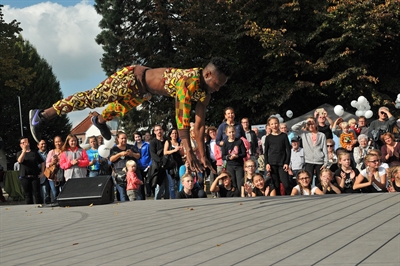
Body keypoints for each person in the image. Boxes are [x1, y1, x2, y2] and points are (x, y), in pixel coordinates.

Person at [29, 58, 231, 174]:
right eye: (218, 84)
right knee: (94, 98)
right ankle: (43, 115)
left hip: (142, 92)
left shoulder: (205, 95)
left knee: (117, 109)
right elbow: (182, 120)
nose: (219, 89)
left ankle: (98, 121)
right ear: (207, 75)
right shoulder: (190, 81)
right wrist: (189, 151)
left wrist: (203, 157)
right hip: (131, 78)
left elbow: (200, 127)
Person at [291, 117, 328, 187]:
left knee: (320, 180)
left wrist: (326, 162)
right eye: (309, 124)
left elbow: (324, 149)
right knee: (308, 179)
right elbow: (293, 128)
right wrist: (305, 121)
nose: (311, 126)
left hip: (319, 161)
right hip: (308, 161)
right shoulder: (304, 134)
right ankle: (309, 193)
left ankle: (319, 194)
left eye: (312, 124)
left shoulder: (322, 135)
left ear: (316, 124)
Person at [264, 116, 291, 195]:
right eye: (272, 124)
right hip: (272, 163)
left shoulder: (284, 136)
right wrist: (267, 163)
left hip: (282, 163)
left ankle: (291, 197)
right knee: (276, 185)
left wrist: (287, 162)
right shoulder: (268, 138)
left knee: (286, 184)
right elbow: (265, 152)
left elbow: (288, 150)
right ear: (269, 125)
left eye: (276, 123)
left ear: (278, 124)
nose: (274, 125)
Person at [110, 131, 140, 201]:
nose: (124, 140)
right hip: (120, 174)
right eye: (122, 138)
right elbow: (111, 159)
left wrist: (132, 154)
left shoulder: (131, 147)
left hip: (131, 174)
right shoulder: (114, 149)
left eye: (125, 138)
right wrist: (120, 154)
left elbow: (138, 156)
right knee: (122, 194)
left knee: (133, 193)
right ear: (118, 139)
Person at [17, 137, 45, 204]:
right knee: (28, 195)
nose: (25, 144)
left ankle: (40, 207)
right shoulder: (19, 153)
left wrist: (42, 172)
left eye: (26, 142)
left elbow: (42, 162)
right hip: (24, 177)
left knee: (37, 194)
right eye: (23, 143)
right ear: (20, 145)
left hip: (34, 176)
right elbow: (20, 161)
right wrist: (24, 151)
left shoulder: (34, 152)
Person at [221, 125, 246, 190]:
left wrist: (237, 156)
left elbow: (244, 154)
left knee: (240, 182)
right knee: (232, 182)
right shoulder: (225, 143)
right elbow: (223, 156)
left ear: (235, 132)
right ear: (226, 133)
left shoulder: (239, 141)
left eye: (233, 132)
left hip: (239, 165)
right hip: (230, 165)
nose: (231, 134)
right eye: (229, 132)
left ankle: (241, 195)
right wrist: (229, 157)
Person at [163, 128, 184, 199]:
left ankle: (179, 196)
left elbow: (182, 154)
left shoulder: (179, 143)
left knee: (179, 182)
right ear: (170, 135)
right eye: (173, 133)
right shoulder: (168, 142)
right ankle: (173, 198)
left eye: (176, 133)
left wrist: (181, 150)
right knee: (172, 184)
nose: (174, 135)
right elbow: (165, 152)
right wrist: (174, 150)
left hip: (178, 164)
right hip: (170, 165)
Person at [45, 136, 65, 200]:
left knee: (63, 192)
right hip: (53, 176)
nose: (58, 143)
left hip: (62, 174)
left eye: (59, 141)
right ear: (54, 143)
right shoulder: (51, 152)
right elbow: (47, 164)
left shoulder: (65, 152)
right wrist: (52, 163)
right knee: (55, 193)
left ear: (62, 142)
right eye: (56, 142)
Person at [133, 131, 151, 198]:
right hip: (138, 168)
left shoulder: (147, 145)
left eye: (139, 137)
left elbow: (151, 156)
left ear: (141, 137)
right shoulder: (133, 147)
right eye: (136, 137)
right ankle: (142, 198)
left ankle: (150, 194)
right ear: (134, 138)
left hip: (147, 167)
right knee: (140, 184)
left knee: (148, 183)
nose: (138, 138)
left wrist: (150, 164)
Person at [206, 126, 222, 197]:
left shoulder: (220, 140)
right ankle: (213, 194)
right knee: (212, 178)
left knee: (220, 177)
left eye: (213, 132)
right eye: (210, 132)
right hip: (212, 162)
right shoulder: (208, 143)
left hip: (220, 161)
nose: (212, 133)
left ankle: (220, 193)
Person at [37, 139, 50, 204]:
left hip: (50, 175)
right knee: (44, 192)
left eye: (44, 143)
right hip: (42, 176)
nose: (44, 145)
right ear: (38, 145)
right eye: (42, 144)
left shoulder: (49, 153)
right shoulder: (36, 155)